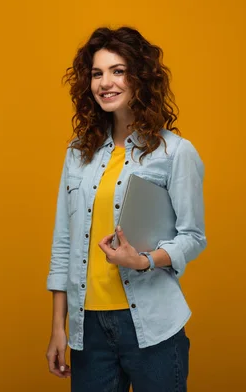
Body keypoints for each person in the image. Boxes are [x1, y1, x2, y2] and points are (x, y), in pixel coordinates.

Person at [45, 26, 207, 392]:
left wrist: (144, 260)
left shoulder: (175, 152)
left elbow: (193, 237)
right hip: (89, 331)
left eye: (118, 71)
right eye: (98, 73)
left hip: (152, 325)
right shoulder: (77, 154)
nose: (106, 82)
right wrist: (59, 327)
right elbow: (64, 244)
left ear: (140, 78)